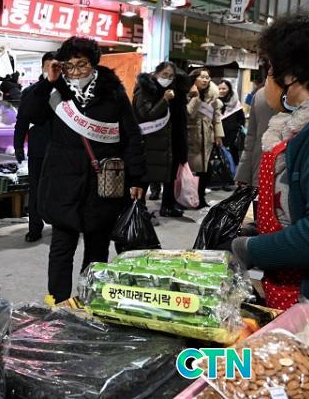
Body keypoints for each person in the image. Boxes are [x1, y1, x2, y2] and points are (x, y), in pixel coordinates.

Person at [21, 37, 145, 303]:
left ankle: (89, 302)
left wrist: (137, 178)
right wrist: (48, 81)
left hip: (102, 185)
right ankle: (58, 304)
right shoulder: (55, 92)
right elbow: (30, 114)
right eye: (69, 66)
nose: (76, 72)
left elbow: (132, 136)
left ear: (93, 64)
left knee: (97, 251)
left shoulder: (113, 92)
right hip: (63, 183)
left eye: (82, 65)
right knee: (61, 249)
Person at [232, 12, 309, 308]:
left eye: (270, 69)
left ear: (290, 76)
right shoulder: (295, 127)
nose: (268, 78)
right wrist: (263, 230)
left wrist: (251, 249)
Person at [133, 61, 191, 218]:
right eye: (164, 74)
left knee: (170, 175)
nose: (167, 78)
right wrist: (164, 100)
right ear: (156, 73)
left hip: (169, 140)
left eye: (171, 76)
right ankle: (138, 209)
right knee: (145, 176)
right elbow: (146, 114)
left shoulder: (174, 91)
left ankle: (168, 206)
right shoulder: (145, 89)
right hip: (150, 141)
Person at [13, 51, 55, 242]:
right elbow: (21, 120)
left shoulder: (66, 92)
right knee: (36, 188)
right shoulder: (31, 92)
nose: (52, 70)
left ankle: (61, 224)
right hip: (38, 148)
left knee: (61, 188)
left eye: (55, 66)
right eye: (48, 66)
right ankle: (35, 227)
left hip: (62, 149)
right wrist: (18, 146)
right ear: (43, 67)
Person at [235, 85, 275, 221]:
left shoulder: (260, 94)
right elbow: (251, 137)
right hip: (265, 174)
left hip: (261, 174)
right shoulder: (261, 95)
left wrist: (243, 173)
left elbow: (251, 138)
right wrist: (244, 172)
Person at [187, 68, 224, 208]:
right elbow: (188, 113)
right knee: (190, 171)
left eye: (207, 77)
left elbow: (216, 117)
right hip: (191, 136)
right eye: (202, 77)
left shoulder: (212, 96)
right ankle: (187, 197)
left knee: (205, 171)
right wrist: (195, 98)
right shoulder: (187, 93)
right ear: (194, 78)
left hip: (207, 138)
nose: (205, 80)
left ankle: (200, 197)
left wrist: (218, 135)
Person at [217, 79, 246, 166]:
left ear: (229, 89)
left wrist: (236, 127)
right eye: (219, 89)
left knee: (233, 158)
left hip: (232, 137)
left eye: (224, 89)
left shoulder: (236, 103)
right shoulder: (214, 101)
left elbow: (241, 119)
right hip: (218, 136)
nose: (221, 91)